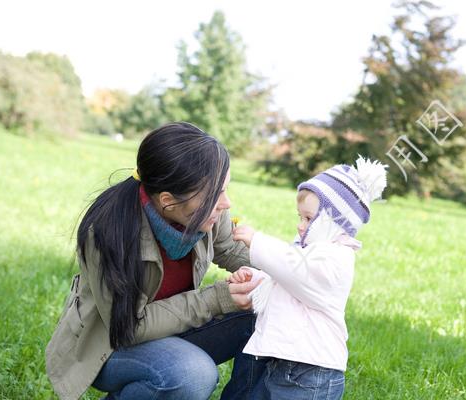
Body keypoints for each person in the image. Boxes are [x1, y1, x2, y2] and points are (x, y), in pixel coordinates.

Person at [45, 122, 264, 400]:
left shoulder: (207, 210)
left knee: (267, 306)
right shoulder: (108, 233)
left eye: (225, 189)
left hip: (172, 330)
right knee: (192, 375)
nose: (226, 203)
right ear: (168, 201)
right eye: (215, 195)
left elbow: (231, 250)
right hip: (109, 346)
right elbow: (128, 328)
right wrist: (215, 299)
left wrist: (291, 268)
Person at [229, 156, 388, 399]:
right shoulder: (310, 254)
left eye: (308, 218)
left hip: (312, 374)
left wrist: (257, 241)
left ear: (335, 221)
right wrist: (254, 278)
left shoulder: (336, 258)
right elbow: (287, 283)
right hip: (284, 364)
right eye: (300, 216)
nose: (300, 226)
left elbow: (296, 271)